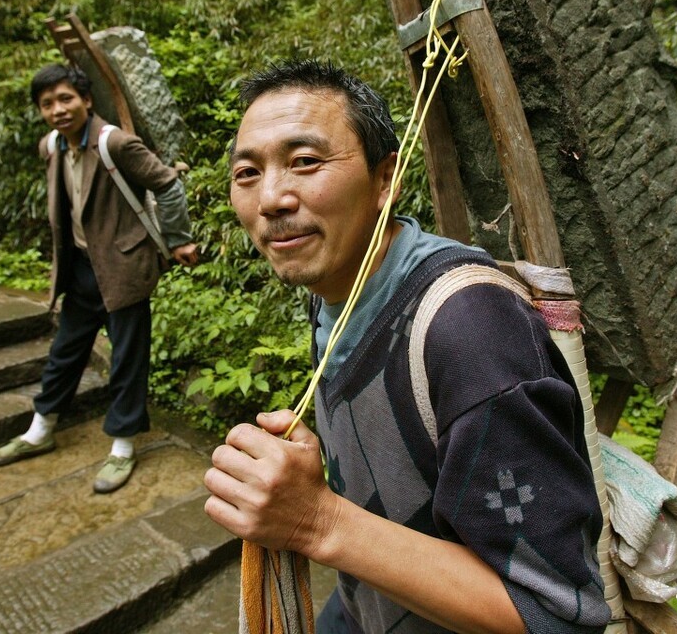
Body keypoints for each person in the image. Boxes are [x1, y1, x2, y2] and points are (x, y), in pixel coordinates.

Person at [205, 60, 609, 633]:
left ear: (384, 180)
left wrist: (316, 521)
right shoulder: (335, 293)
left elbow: (556, 615)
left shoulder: (472, 331)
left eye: (305, 162)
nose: (271, 198)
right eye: (247, 173)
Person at [0, 63, 198, 494]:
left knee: (127, 357)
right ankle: (40, 430)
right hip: (81, 268)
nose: (58, 109)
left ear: (85, 100)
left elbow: (168, 185)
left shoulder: (114, 143)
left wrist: (178, 239)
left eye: (66, 99)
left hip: (123, 269)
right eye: (48, 104)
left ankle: (122, 447)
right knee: (65, 350)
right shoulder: (52, 147)